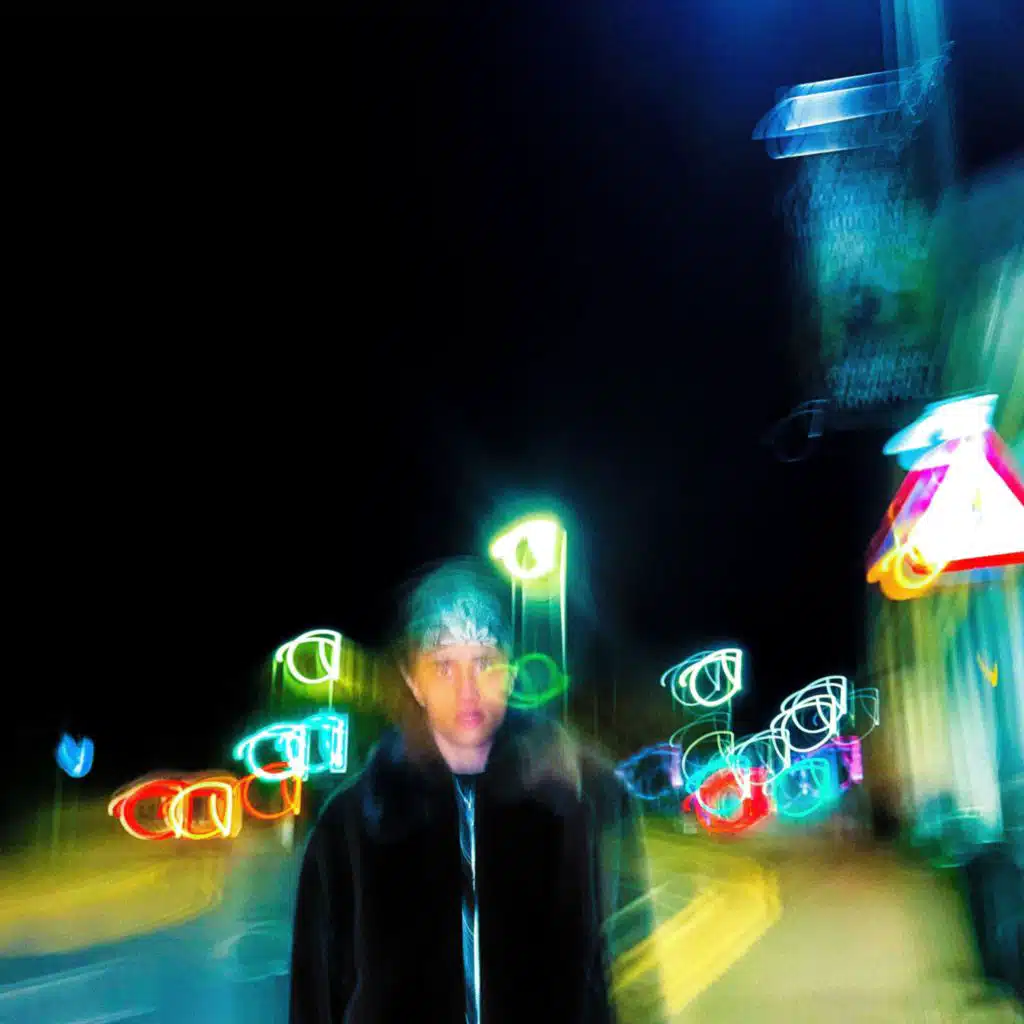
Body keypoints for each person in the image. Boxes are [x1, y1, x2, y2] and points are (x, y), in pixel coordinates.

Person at [289, 558, 663, 1023]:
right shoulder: (350, 824)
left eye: (484, 662)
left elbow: (629, 973)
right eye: (443, 666)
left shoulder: (585, 800)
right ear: (413, 680)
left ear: (510, 670)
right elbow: (315, 995)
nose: (467, 690)